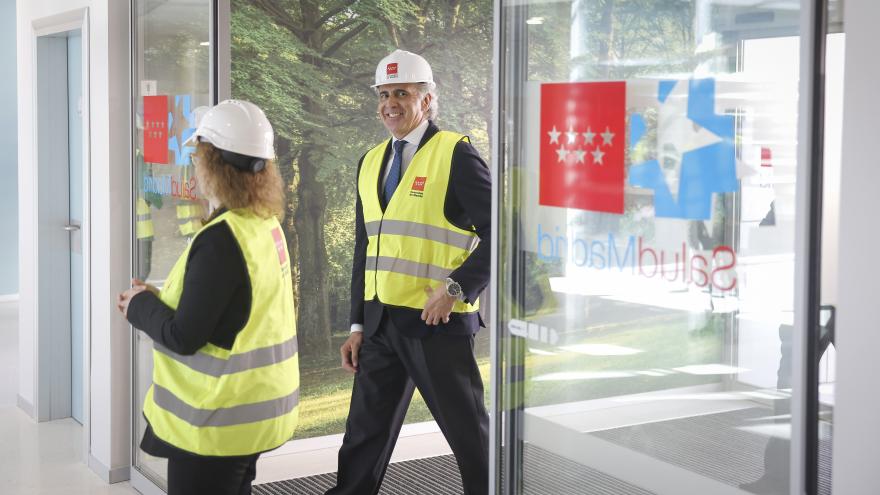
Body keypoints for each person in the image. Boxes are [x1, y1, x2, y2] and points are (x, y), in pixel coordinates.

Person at [327, 49, 492, 495]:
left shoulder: (455, 153)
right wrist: (358, 324)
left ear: (427, 98)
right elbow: (366, 249)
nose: (390, 104)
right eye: (383, 94)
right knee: (363, 436)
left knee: (469, 437)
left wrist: (455, 289)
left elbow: (501, 233)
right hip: (381, 324)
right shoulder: (370, 161)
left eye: (401, 93)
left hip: (434, 322)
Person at [116, 99, 300, 495]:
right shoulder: (263, 226)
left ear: (212, 164)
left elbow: (185, 336)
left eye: (199, 156)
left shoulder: (221, 240)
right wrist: (160, 296)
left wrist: (138, 306)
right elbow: (231, 306)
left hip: (217, 423)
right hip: (258, 411)